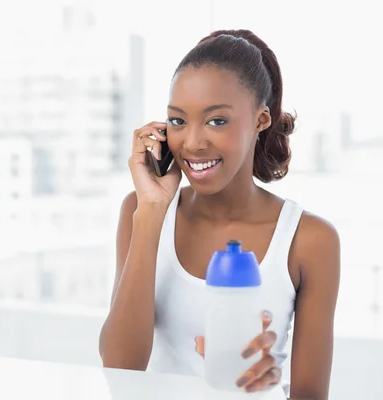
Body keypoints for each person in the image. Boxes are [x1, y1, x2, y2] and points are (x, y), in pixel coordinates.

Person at [99, 29, 340, 400]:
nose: (192, 142)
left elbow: (310, 395)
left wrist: (266, 381)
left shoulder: (310, 241)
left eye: (217, 121)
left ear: (261, 120)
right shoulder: (140, 210)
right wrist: (151, 212)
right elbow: (120, 366)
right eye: (178, 121)